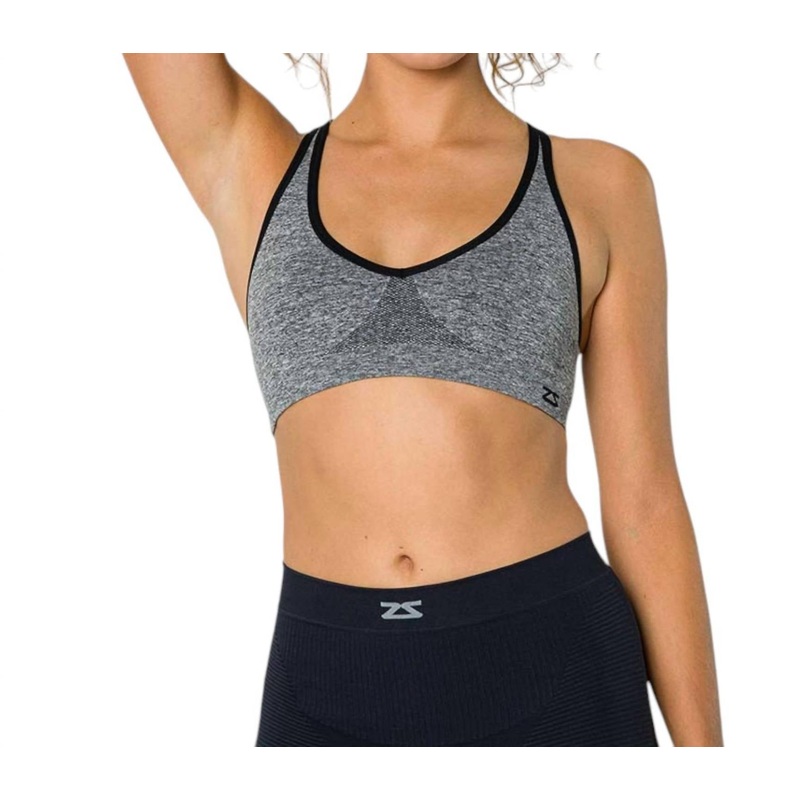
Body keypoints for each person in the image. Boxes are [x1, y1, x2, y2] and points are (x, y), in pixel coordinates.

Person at [122, 53, 723, 747]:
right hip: (323, 681)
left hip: (553, 666)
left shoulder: (597, 184)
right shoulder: (255, 168)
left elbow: (645, 500)